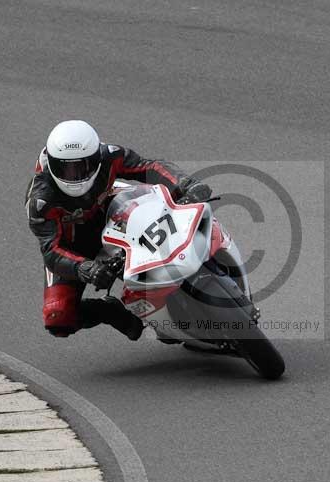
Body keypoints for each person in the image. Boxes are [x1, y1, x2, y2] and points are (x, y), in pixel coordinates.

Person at [25, 120, 211, 340]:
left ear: (95, 158)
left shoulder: (109, 155)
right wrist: (84, 268)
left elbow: (148, 166)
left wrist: (186, 184)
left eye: (81, 166)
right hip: (72, 247)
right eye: (65, 168)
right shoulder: (40, 200)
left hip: (110, 212)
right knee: (58, 317)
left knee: (171, 214)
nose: (74, 176)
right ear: (52, 165)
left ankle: (198, 253)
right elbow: (51, 249)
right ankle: (110, 311)